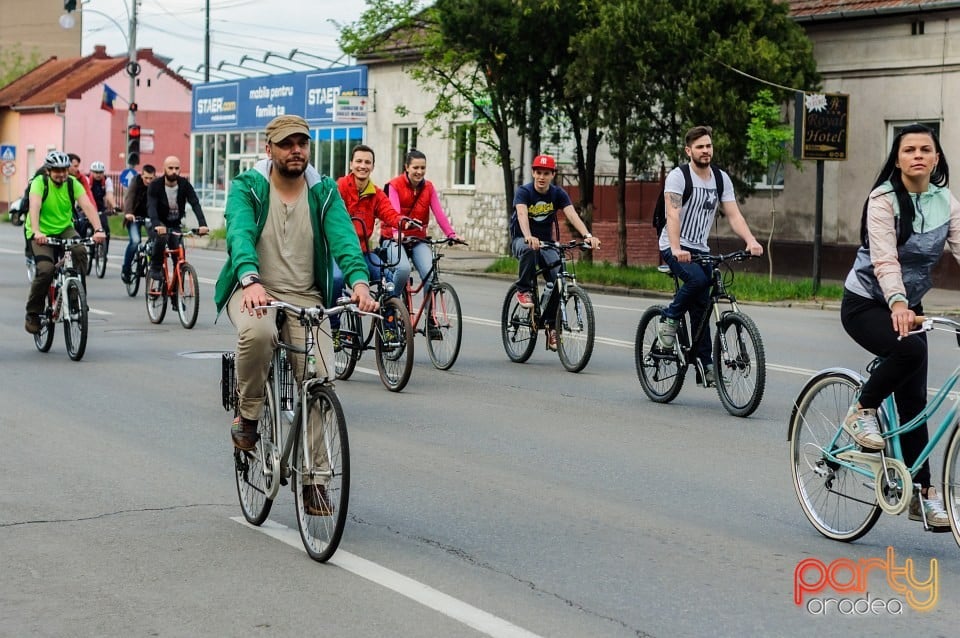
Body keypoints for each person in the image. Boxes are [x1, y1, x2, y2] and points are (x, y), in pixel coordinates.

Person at [214, 115, 377, 516]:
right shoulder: (248, 187)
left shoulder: (322, 192)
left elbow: (343, 238)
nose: (296, 150)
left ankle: (316, 482)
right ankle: (249, 415)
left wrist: (359, 282)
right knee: (258, 334)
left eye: (302, 143)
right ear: (269, 149)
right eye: (287, 144)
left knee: (321, 379)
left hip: (306, 296)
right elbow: (238, 233)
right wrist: (250, 279)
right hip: (254, 289)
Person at [840, 123, 960, 530]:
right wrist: (896, 302)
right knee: (907, 349)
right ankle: (861, 409)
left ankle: (923, 495)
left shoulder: (947, 201)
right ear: (898, 159)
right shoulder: (883, 200)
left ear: (937, 157)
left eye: (926, 149)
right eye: (909, 149)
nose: (918, 155)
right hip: (868, 302)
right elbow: (885, 258)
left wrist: (907, 306)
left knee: (914, 402)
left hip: (910, 307)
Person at [655, 125, 763, 383]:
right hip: (674, 245)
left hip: (701, 249)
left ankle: (704, 362)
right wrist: (677, 248)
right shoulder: (678, 177)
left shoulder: (721, 178)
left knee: (703, 304)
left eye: (708, 146)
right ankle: (669, 318)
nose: (706, 151)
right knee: (697, 281)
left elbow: (733, 214)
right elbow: (673, 213)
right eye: (700, 147)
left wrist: (750, 240)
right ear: (688, 150)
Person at [510, 153, 600, 351]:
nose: (542, 177)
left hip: (547, 243)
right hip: (522, 240)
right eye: (538, 172)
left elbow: (572, 214)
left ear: (553, 175)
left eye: (546, 173)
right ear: (533, 173)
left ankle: (551, 325)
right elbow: (523, 214)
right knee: (528, 250)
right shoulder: (524, 192)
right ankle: (523, 289)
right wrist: (528, 236)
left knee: (559, 278)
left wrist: (587, 235)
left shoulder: (557, 194)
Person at [24, 151, 106, 334]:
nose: (61, 174)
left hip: (64, 229)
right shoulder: (39, 183)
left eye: (64, 170)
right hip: (41, 232)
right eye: (57, 171)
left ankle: (77, 295)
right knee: (46, 270)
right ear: (48, 171)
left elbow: (87, 205)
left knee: (79, 251)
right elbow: (34, 205)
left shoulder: (72, 183)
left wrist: (99, 229)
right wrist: (37, 231)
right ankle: (33, 313)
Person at [384, 149, 460, 338]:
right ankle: (392, 306)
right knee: (402, 270)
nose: (419, 171)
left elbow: (438, 213)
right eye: (415, 167)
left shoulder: (429, 187)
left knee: (430, 273)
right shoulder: (394, 185)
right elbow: (394, 212)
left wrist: (451, 234)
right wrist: (396, 233)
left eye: (423, 168)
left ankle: (430, 319)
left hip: (417, 239)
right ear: (406, 168)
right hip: (394, 237)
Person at [331, 144, 416, 305]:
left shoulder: (376, 193)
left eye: (367, 162)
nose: (362, 166)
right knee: (336, 280)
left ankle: (389, 326)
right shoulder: (340, 187)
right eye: (359, 161)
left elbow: (389, 212)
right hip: (338, 252)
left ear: (372, 167)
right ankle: (336, 327)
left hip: (362, 253)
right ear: (351, 164)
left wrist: (402, 222)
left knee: (388, 281)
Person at [147, 156, 209, 286]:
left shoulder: (184, 184)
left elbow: (195, 203)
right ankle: (156, 268)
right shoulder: (155, 185)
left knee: (179, 256)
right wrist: (157, 225)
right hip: (159, 223)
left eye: (176, 168)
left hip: (174, 224)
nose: (174, 171)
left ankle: (176, 294)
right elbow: (151, 206)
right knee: (161, 237)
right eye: (170, 168)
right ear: (164, 169)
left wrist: (203, 224)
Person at [120, 164, 157, 282]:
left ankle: (153, 266)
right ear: (142, 175)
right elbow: (129, 197)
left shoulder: (157, 185)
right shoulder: (135, 182)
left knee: (157, 240)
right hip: (134, 217)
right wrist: (129, 213)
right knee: (135, 241)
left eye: (151, 178)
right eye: (146, 178)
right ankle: (126, 270)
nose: (148, 181)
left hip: (150, 217)